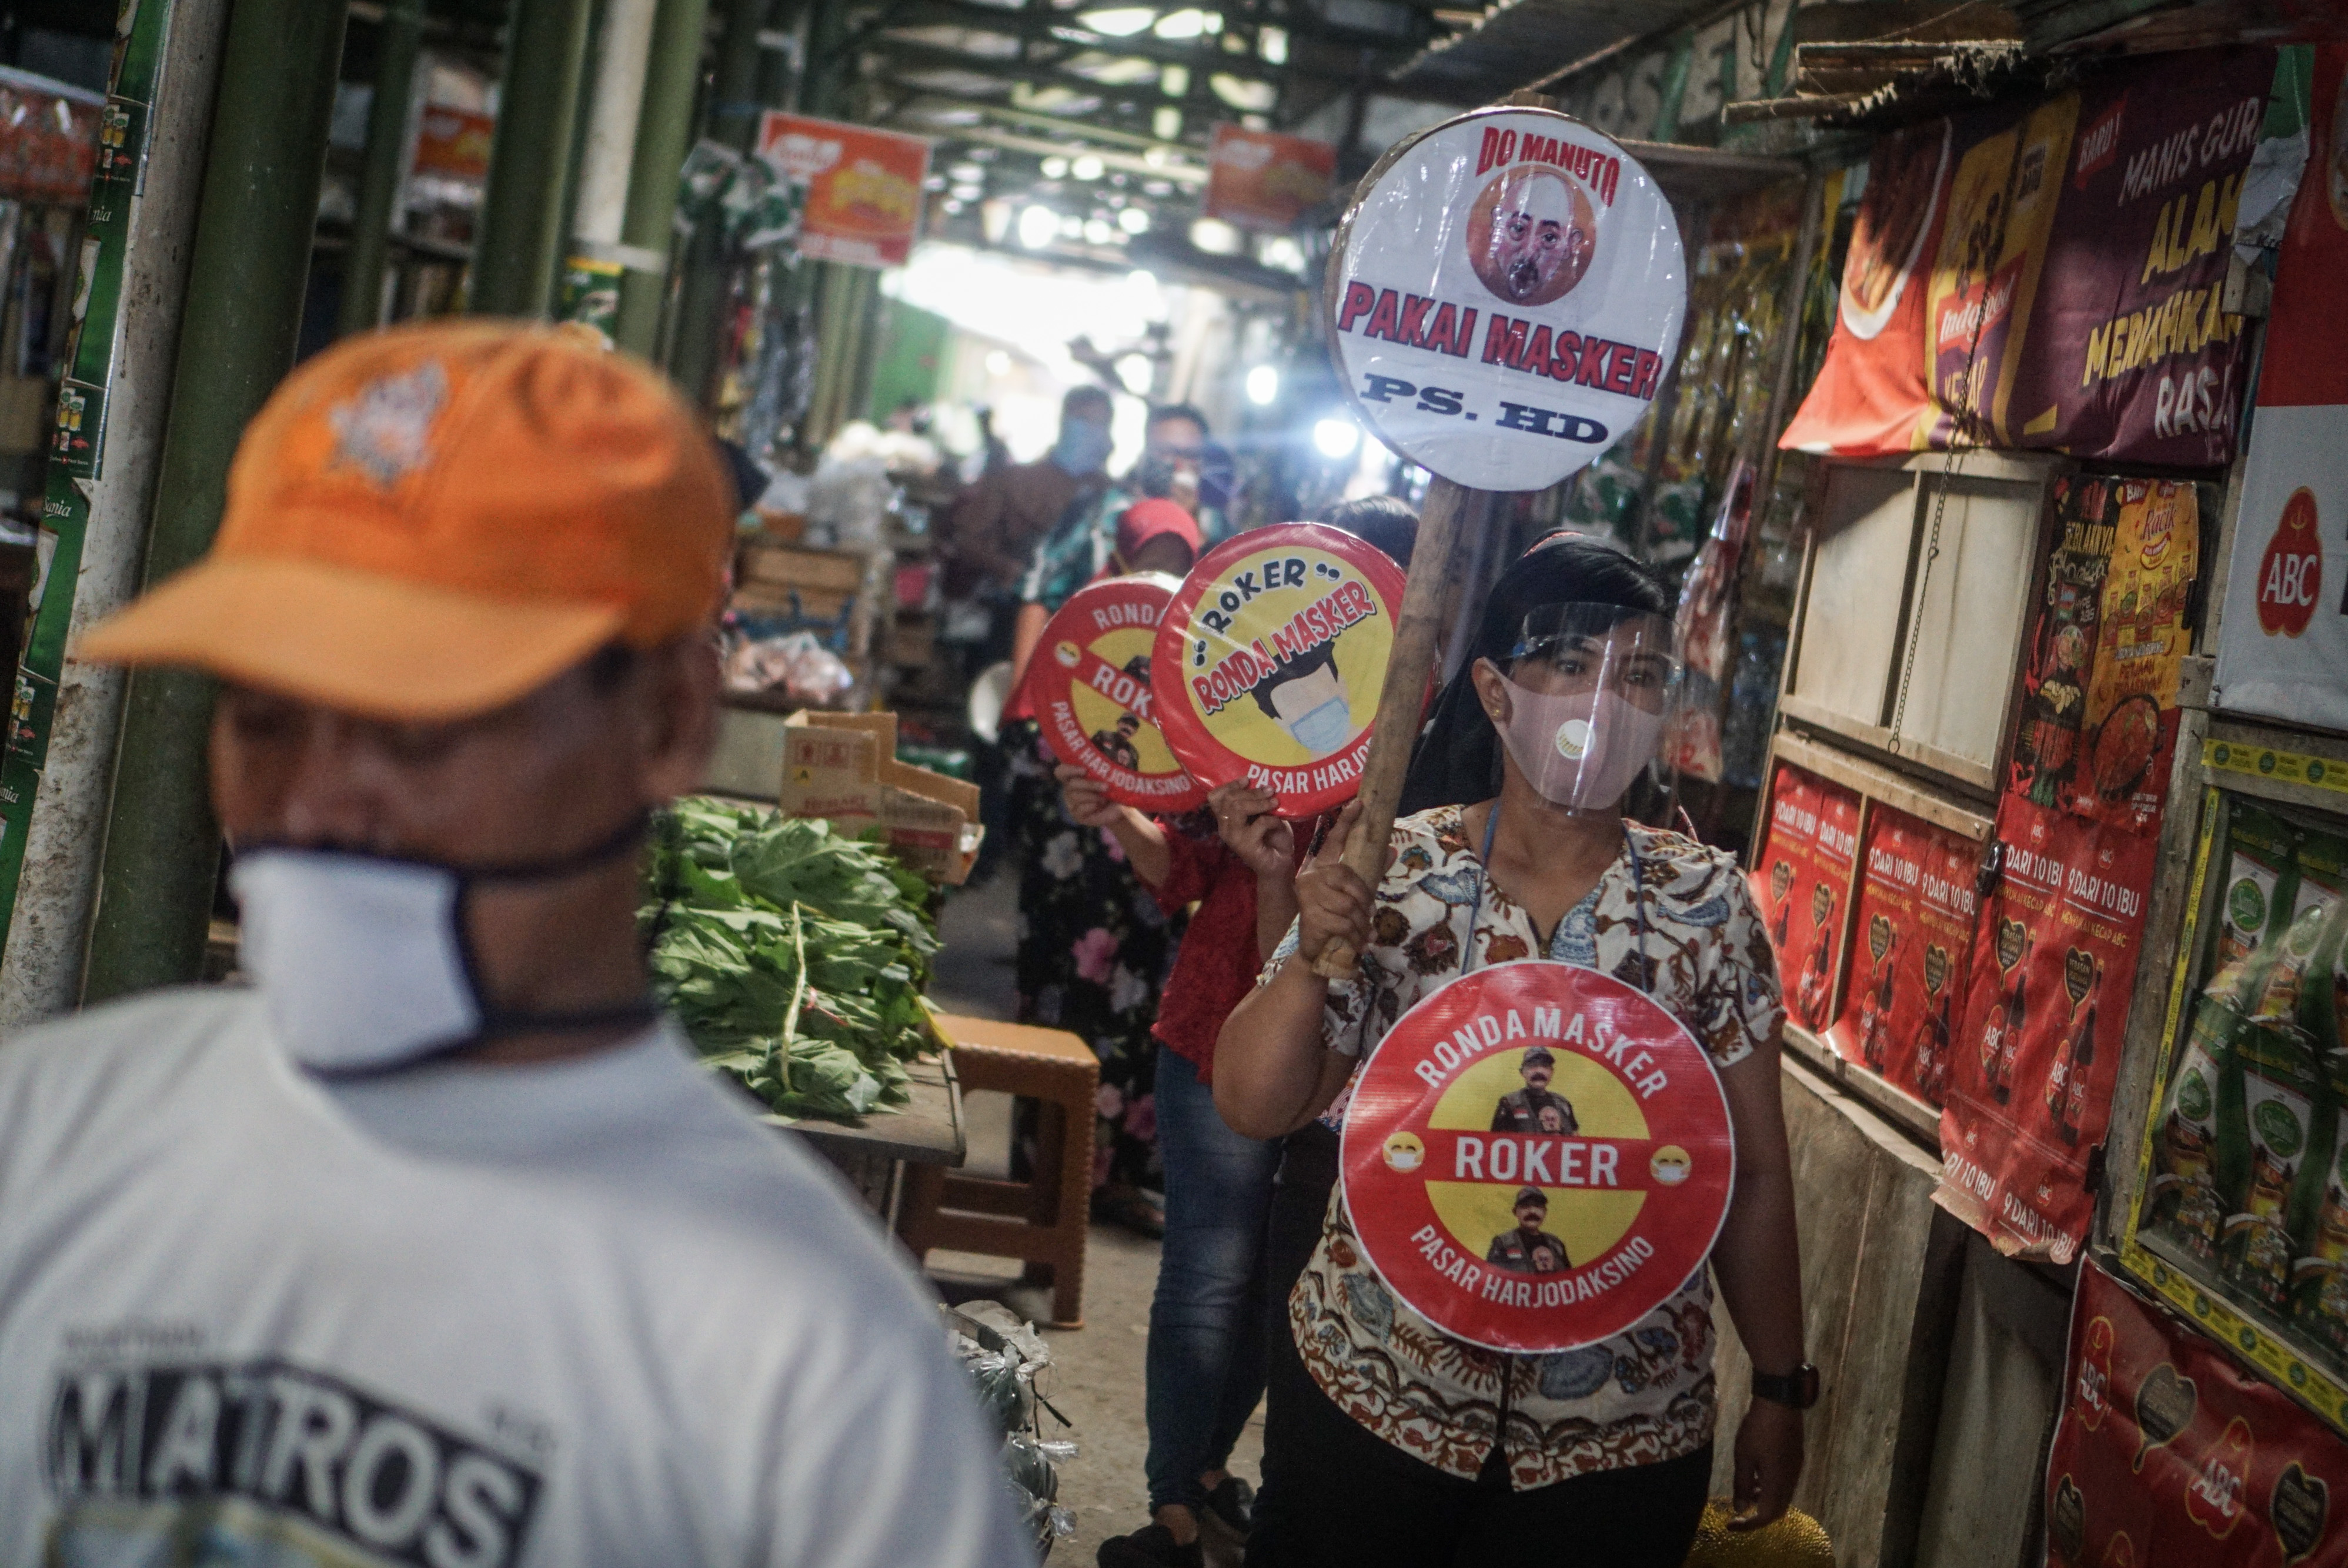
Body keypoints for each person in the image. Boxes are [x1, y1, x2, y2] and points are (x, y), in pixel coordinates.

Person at [0, 323, 1029, 1564]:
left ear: (666, 721)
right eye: (266, 714)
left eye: (417, 720)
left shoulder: (810, 1371)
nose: (318, 798)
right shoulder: (47, 1135)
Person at [1217, 533, 1809, 1568]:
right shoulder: (1390, 867)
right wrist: (1313, 952)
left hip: (1619, 1431)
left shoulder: (1708, 903)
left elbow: (1751, 1169)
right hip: (1378, 1391)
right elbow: (1255, 1103)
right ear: (1494, 692)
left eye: (1637, 674)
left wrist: (1779, 1380)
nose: (1603, 702)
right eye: (1571, 666)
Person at [1067, 494, 1421, 1568]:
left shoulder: (1429, 750)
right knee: (1211, 1271)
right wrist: (1118, 810)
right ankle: (1174, 1500)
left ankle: (1211, 1470)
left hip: (1356, 1066)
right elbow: (1184, 871)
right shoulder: (1251, 716)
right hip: (1214, 1027)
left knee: (1281, 1285)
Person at [1007, 497, 1204, 1235]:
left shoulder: (1197, 656)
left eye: (1179, 567)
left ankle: (1114, 1179)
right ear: (1119, 560)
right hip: (1073, 872)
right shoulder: (1078, 640)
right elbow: (1036, 739)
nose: (1162, 579)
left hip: (1148, 878)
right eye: (1150, 561)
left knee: (1136, 1011)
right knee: (1061, 1003)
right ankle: (1043, 1175)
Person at [944, 384, 1114, 598]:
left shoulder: (1109, 496)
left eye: (1101, 424)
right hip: (1011, 603)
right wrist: (1007, 568)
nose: (1091, 431)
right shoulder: (1015, 480)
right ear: (1064, 422)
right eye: (1083, 420)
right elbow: (967, 539)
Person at [1491, 1044, 1577, 1134]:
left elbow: (1575, 1138)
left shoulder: (1563, 1104)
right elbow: (1496, 1141)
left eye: (1545, 1066)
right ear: (1522, 1072)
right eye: (1532, 1066)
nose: (1539, 1071)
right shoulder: (1510, 1103)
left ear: (1552, 1072)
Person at [1485, 1188, 1570, 1273]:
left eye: (1538, 1206)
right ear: (1515, 1212)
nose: (1532, 1211)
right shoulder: (1503, 1243)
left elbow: (1568, 1279)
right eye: (1525, 1206)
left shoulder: (1556, 1245)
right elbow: (1492, 1277)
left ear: (1545, 1212)